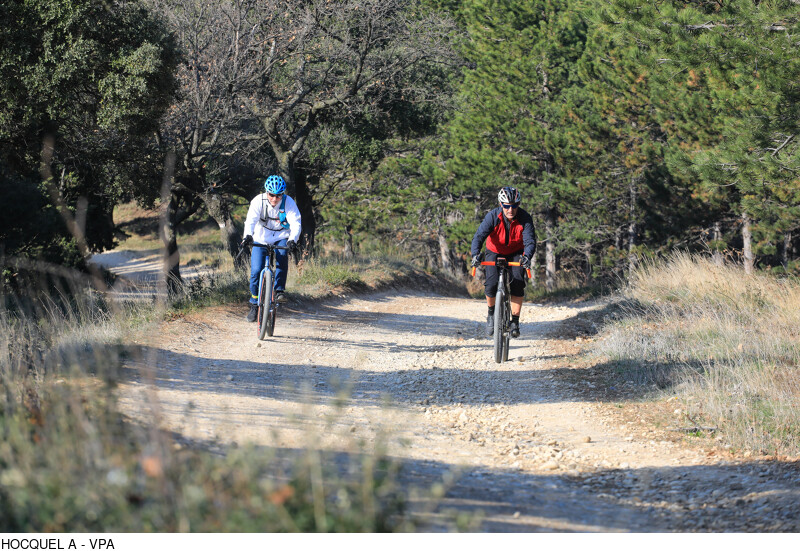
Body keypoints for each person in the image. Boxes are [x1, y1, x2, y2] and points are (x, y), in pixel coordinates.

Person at [470, 186, 536, 338]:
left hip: (516, 252)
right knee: (491, 283)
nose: (510, 210)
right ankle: (491, 314)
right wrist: (475, 254)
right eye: (506, 206)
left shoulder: (525, 218)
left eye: (514, 206)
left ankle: (515, 321)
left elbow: (530, 241)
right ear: (501, 204)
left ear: (518, 205)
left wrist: (527, 256)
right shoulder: (492, 216)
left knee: (518, 282)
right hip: (494, 250)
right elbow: (479, 236)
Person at [241, 175, 302, 322]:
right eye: (271, 195)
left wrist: (293, 240)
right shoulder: (258, 201)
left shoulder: (289, 202)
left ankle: (279, 290)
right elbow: (250, 221)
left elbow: (296, 222)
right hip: (261, 237)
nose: (274, 199)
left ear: (283, 194)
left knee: (282, 256)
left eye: (278, 195)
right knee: (256, 270)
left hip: (281, 235)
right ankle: (254, 303)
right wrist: (247, 236)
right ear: (266, 192)